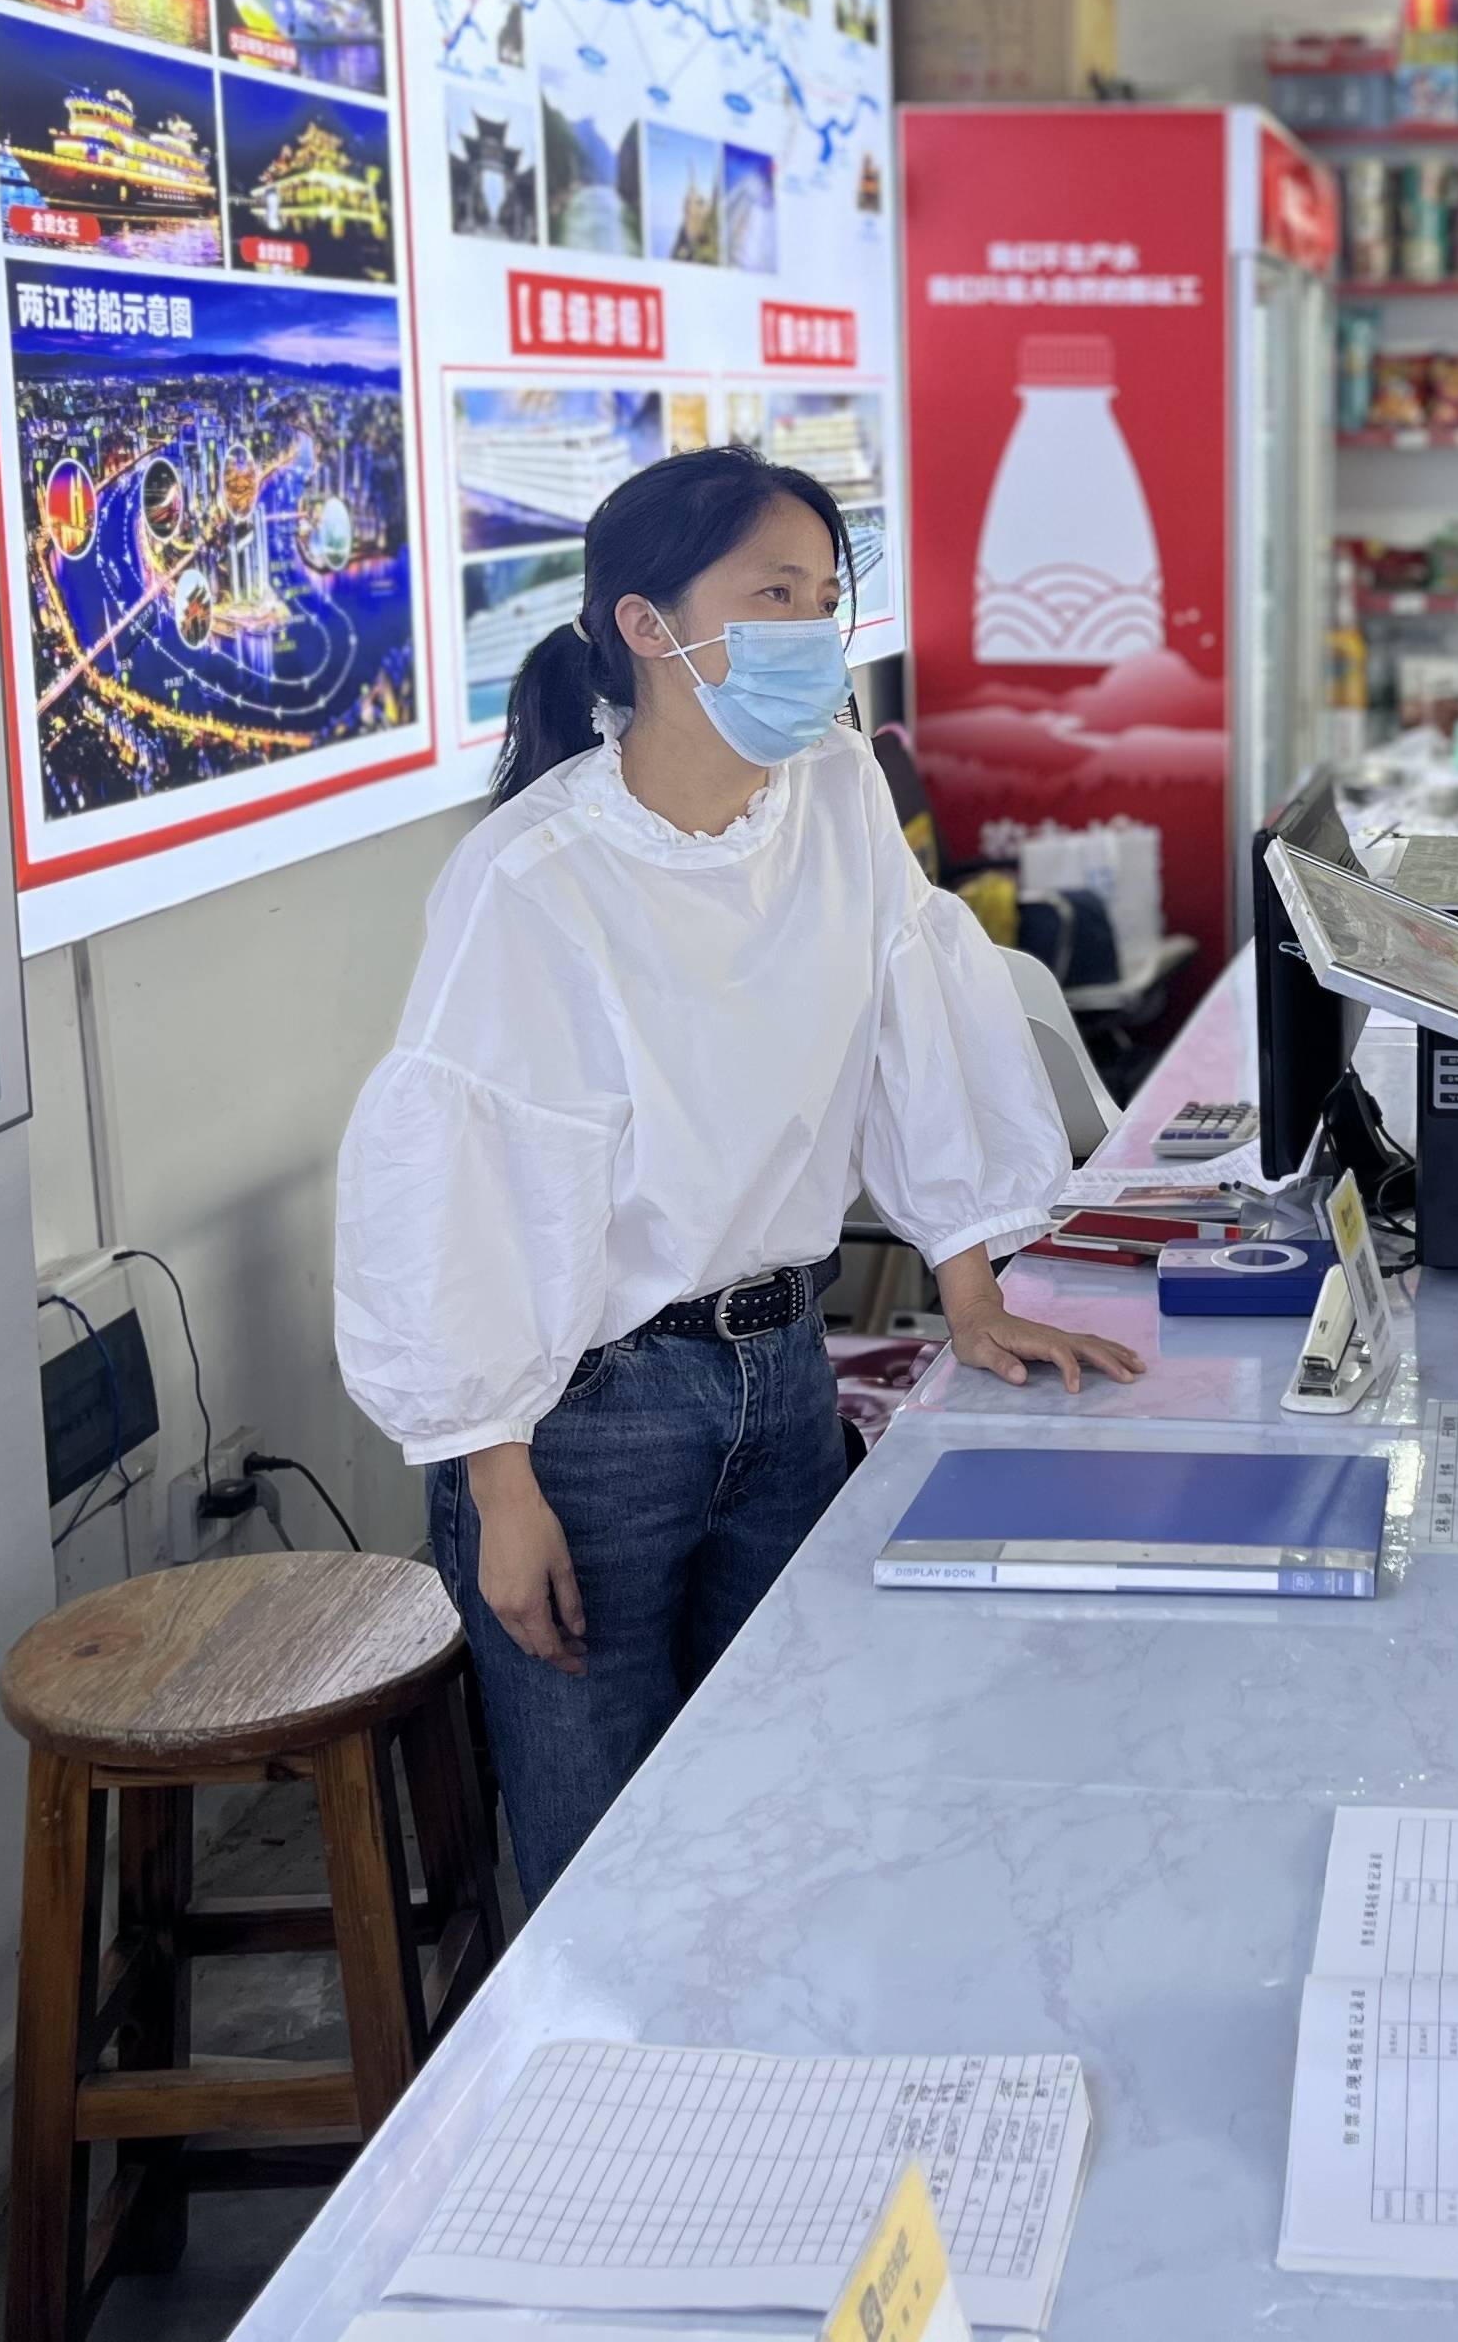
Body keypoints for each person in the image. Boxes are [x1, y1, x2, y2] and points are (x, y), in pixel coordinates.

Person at [332, 446, 1140, 1897]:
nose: (816, 634)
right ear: (648, 626)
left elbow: (915, 1017)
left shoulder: (831, 793)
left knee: (785, 1799)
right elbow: (461, 1196)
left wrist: (969, 1281)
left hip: (782, 1372)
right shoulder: (535, 878)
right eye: (775, 594)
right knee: (606, 1859)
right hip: (590, 1420)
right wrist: (495, 1484)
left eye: (828, 597)